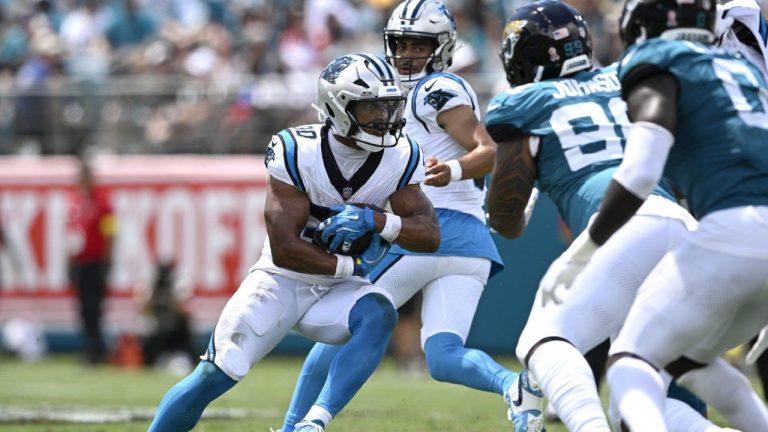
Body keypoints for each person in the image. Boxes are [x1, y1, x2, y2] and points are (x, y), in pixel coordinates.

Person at [276, 2, 545, 431]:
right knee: (443, 356)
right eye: (400, 43)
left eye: (418, 44)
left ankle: (300, 425)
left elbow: (489, 150)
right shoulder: (402, 91)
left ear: (441, 46)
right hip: (471, 243)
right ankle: (514, 386)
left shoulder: (434, 89)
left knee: (343, 326)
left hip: (431, 231)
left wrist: (451, 170)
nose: (406, 53)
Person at [485, 1, 751, 431]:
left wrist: (515, 202)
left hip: (622, 229)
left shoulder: (524, 104)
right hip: (680, 226)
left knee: (542, 340)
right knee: (641, 400)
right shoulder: (627, 75)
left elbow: (505, 221)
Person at [147, 52, 440, 432]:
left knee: (380, 313)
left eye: (389, 107)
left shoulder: (400, 157)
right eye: (371, 108)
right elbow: (285, 246)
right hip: (281, 279)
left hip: (339, 289)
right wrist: (353, 265)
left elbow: (430, 234)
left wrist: (377, 219)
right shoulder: (297, 151)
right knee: (215, 375)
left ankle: (312, 423)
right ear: (339, 108)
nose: (384, 119)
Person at [67, 155, 116, 364]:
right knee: (83, 309)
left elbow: (110, 232)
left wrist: (107, 261)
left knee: (94, 308)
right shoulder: (77, 202)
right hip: (80, 262)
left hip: (96, 262)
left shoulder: (102, 202)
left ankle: (97, 350)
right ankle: (90, 347)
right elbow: (73, 233)